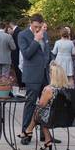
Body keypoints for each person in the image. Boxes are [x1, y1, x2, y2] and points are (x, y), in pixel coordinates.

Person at [19, 63, 71, 150]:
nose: (49, 74)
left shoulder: (49, 89)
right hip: (63, 117)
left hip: (51, 118)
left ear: (53, 76)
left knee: (38, 111)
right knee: (41, 112)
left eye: (50, 73)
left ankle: (28, 130)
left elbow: (41, 104)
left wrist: (42, 95)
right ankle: (47, 141)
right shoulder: (65, 89)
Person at [19, 14, 51, 143]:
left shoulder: (45, 33)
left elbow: (47, 51)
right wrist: (36, 40)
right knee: (30, 104)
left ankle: (45, 135)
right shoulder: (23, 35)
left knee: (45, 105)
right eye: (35, 26)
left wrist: (49, 62)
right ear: (30, 23)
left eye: (40, 27)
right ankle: (26, 134)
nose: (38, 29)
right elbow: (26, 54)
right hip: (32, 75)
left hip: (44, 74)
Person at [0, 23, 17, 87]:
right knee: (5, 76)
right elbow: (13, 47)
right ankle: (3, 92)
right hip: (6, 59)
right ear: (5, 28)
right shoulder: (8, 36)